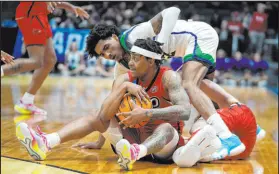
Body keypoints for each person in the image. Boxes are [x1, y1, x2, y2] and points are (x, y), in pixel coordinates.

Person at [86, 6, 244, 158]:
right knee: (205, 91)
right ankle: (244, 122)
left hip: (197, 35)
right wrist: (101, 140)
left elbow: (173, 11)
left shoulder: (132, 36)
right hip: (188, 48)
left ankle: (227, 137)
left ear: (114, 37)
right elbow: (113, 103)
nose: (107, 54)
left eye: (107, 47)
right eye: (103, 54)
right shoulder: (121, 69)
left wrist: (160, 41)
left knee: (188, 85)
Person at [15, 38, 196, 163]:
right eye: (130, 57)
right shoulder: (125, 79)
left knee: (164, 128)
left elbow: (185, 111)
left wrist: (147, 113)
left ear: (150, 61)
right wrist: (123, 88)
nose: (130, 63)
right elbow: (103, 116)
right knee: (96, 115)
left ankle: (136, 153)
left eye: (136, 58)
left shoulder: (168, 77)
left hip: (163, 147)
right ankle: (46, 142)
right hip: (131, 140)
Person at [1, 2, 89, 115]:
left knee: (50, 60)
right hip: (32, 12)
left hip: (40, 14)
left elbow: (55, 3)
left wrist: (71, 7)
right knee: (36, 61)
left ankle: (26, 101)